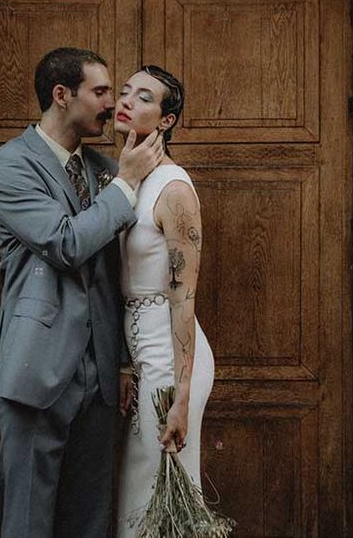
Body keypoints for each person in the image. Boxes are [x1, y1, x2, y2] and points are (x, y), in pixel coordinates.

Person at [0, 48, 165, 537]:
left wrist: (121, 362)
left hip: (100, 380)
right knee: (27, 522)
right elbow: (65, 244)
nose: (112, 103)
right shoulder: (7, 168)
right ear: (62, 95)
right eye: (102, 92)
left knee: (89, 521)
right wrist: (126, 182)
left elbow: (116, 275)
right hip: (36, 371)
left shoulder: (104, 167)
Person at [113, 65, 215, 536]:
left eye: (145, 97)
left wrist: (181, 395)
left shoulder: (173, 189)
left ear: (166, 121)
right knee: (138, 487)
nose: (128, 101)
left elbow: (184, 298)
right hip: (140, 351)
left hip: (171, 354)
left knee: (160, 488)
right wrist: (124, 364)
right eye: (125, 91)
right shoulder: (126, 180)